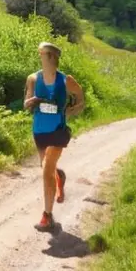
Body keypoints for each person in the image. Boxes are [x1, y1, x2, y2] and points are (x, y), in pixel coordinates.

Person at [24, 42, 85, 232]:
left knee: (46, 171)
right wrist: (31, 102)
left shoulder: (66, 81)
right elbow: (25, 103)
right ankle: (59, 176)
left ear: (52, 57)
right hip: (39, 130)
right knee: (47, 169)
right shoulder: (33, 79)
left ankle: (47, 216)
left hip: (58, 131)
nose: (42, 56)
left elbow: (80, 95)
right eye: (41, 53)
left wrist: (74, 109)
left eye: (44, 53)